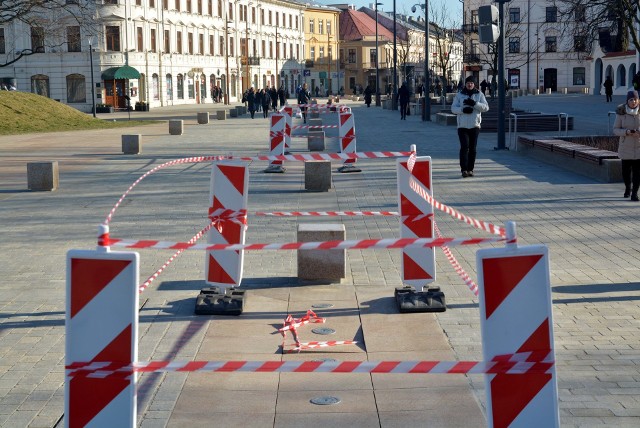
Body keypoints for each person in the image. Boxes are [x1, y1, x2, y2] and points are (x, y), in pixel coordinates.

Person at [451, 75, 489, 178]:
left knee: (473, 148)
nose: (470, 84)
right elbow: (453, 108)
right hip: (462, 126)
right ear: (465, 84)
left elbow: (486, 108)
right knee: (464, 147)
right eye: (468, 83)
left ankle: (470, 169)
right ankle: (464, 170)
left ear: (474, 84)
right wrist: (463, 110)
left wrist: (475, 104)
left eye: (471, 83)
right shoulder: (459, 95)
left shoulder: (479, 94)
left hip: (474, 125)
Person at [613, 90, 640, 201]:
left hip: (638, 147)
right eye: (631, 99)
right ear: (627, 101)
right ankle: (628, 188)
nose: (633, 101)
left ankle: (635, 193)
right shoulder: (621, 113)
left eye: (635, 99)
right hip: (626, 147)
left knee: (638, 173)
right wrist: (627, 132)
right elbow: (615, 130)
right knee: (626, 172)